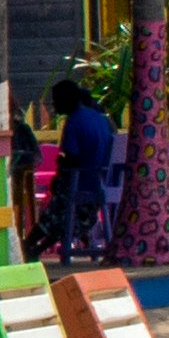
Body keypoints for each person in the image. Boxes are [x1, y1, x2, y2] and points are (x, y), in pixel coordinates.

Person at [45, 74, 118, 259]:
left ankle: (33, 244)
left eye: (56, 101)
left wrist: (59, 172)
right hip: (105, 181)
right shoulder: (101, 119)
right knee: (63, 206)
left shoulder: (75, 121)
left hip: (86, 183)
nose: (54, 106)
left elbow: (72, 159)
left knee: (59, 203)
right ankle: (36, 246)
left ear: (66, 100)